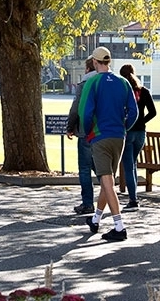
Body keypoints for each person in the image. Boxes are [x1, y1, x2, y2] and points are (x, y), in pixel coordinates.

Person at [78, 46, 138, 242]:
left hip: (100, 135)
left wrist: (87, 131)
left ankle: (119, 226)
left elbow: (85, 112)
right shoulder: (123, 83)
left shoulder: (92, 82)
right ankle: (95, 220)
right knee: (108, 180)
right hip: (119, 135)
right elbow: (134, 111)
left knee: (107, 181)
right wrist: (124, 127)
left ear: (95, 62)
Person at [118, 64, 156, 211]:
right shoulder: (144, 91)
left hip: (127, 132)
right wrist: (141, 122)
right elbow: (153, 112)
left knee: (129, 166)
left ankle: (133, 200)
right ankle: (134, 197)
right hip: (141, 133)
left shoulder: (122, 92)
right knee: (133, 163)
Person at [65, 57, 98, 215]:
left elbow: (76, 107)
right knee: (100, 167)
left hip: (86, 130)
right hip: (105, 130)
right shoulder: (110, 82)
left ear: (87, 68)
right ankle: (109, 194)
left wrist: (70, 127)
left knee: (85, 168)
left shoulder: (84, 83)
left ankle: (87, 203)